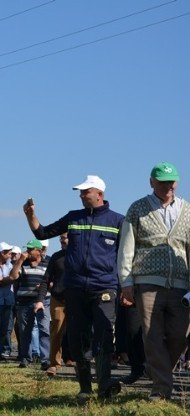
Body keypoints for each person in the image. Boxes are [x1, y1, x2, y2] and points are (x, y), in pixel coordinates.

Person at [24, 175, 124, 399]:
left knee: (105, 334)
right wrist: (30, 216)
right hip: (76, 288)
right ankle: (86, 388)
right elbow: (42, 233)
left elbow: (127, 255)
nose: (81, 195)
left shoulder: (118, 221)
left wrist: (127, 285)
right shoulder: (73, 218)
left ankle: (105, 384)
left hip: (105, 286)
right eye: (80, 192)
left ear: (99, 193)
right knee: (79, 338)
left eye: (85, 191)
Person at [118, 162, 190, 400]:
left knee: (181, 334)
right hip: (147, 282)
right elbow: (126, 248)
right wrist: (126, 282)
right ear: (152, 182)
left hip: (180, 285)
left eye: (171, 182)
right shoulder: (137, 209)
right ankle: (161, 389)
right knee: (152, 335)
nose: (168, 186)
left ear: (177, 182)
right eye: (162, 182)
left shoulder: (187, 210)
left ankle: (157, 369)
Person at [10, 239, 50, 370]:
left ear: (38, 251)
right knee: (25, 330)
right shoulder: (22, 262)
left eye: (30, 249)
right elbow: (13, 276)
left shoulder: (48, 262)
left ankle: (45, 359)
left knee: (44, 329)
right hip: (24, 301)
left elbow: (54, 281)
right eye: (27, 249)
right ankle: (26, 358)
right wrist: (20, 260)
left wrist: (46, 286)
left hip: (43, 300)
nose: (27, 251)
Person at [38, 233, 74, 376]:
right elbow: (46, 279)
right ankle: (54, 364)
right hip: (58, 299)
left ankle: (77, 361)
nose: (62, 241)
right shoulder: (56, 257)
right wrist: (40, 299)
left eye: (64, 238)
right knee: (57, 329)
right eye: (61, 239)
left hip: (77, 300)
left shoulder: (81, 254)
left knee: (77, 331)